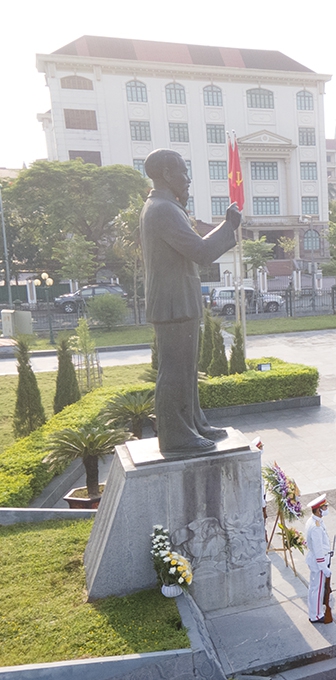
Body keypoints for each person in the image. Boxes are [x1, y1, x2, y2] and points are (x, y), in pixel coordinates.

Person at [140, 149, 240, 454]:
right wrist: (228, 225)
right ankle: (176, 436)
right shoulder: (162, 209)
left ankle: (194, 424)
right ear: (167, 174)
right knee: (174, 371)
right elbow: (201, 251)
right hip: (173, 302)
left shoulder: (167, 207)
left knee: (186, 370)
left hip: (178, 299)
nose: (188, 179)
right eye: (183, 172)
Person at [304, 494, 334, 623]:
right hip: (318, 562)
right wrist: (324, 568)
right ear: (318, 510)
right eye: (324, 507)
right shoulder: (316, 527)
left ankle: (314, 612)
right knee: (317, 589)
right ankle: (316, 615)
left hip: (316, 559)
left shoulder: (313, 521)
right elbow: (318, 549)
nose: (326, 508)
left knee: (314, 587)